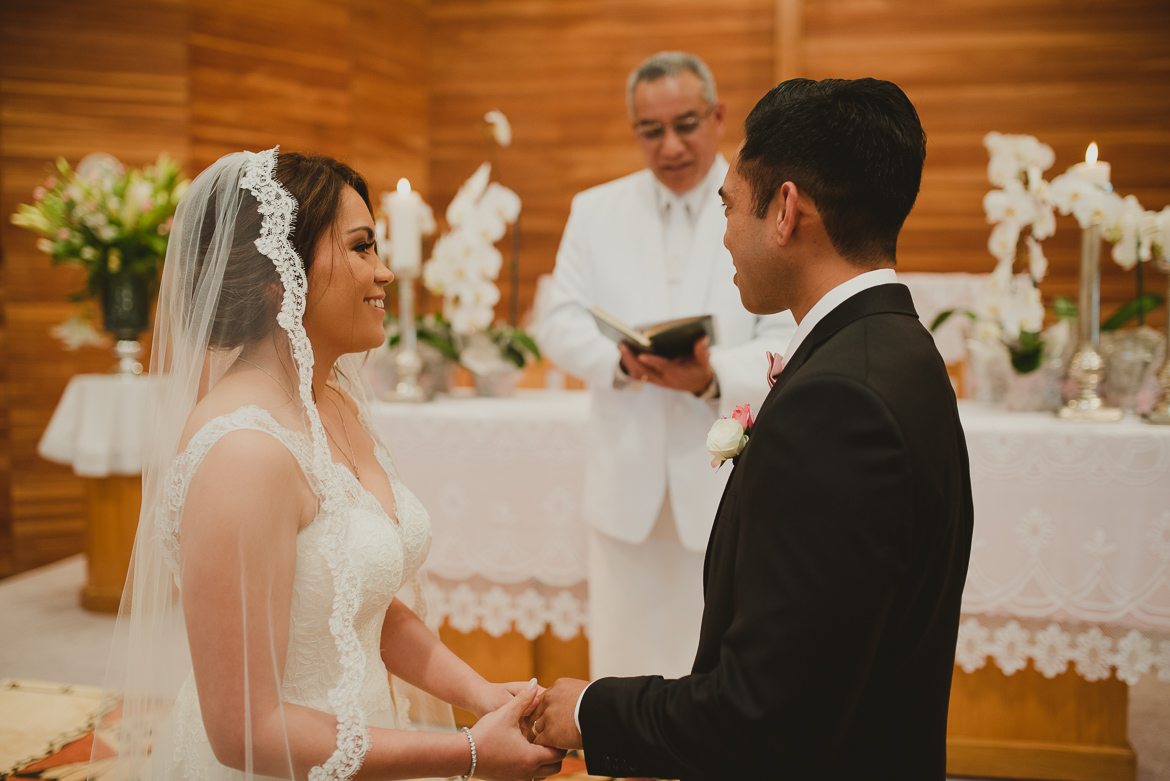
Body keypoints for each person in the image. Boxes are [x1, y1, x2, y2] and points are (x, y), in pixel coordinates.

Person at [530, 78, 974, 779]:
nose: (727, 232)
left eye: (730, 206)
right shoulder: (901, 346)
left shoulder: (837, 405)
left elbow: (761, 717)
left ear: (786, 211)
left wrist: (591, 712)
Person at [95, 149, 564, 781]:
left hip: (365, 743)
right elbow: (245, 732)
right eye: (363, 247)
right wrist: (471, 753)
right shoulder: (245, 453)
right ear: (279, 274)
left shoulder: (333, 403)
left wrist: (480, 694)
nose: (386, 273)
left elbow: (358, 602)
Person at [535, 51, 796, 680]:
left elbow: (788, 334)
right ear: (634, 131)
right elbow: (558, 320)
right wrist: (621, 364)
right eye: (651, 131)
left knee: (716, 669)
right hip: (625, 483)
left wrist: (712, 377)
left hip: (727, 480)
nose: (671, 145)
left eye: (687, 124)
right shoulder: (595, 210)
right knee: (625, 665)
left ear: (718, 115)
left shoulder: (765, 201)